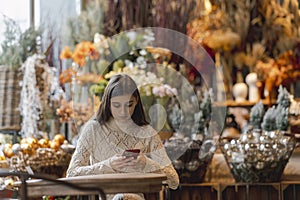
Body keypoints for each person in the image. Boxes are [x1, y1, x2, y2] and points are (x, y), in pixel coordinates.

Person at [66, 73, 179, 200]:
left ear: (136, 101)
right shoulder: (93, 129)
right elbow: (71, 174)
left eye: (129, 104)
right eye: (117, 105)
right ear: (107, 103)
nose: (123, 112)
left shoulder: (146, 132)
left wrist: (146, 163)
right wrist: (109, 165)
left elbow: (174, 181)